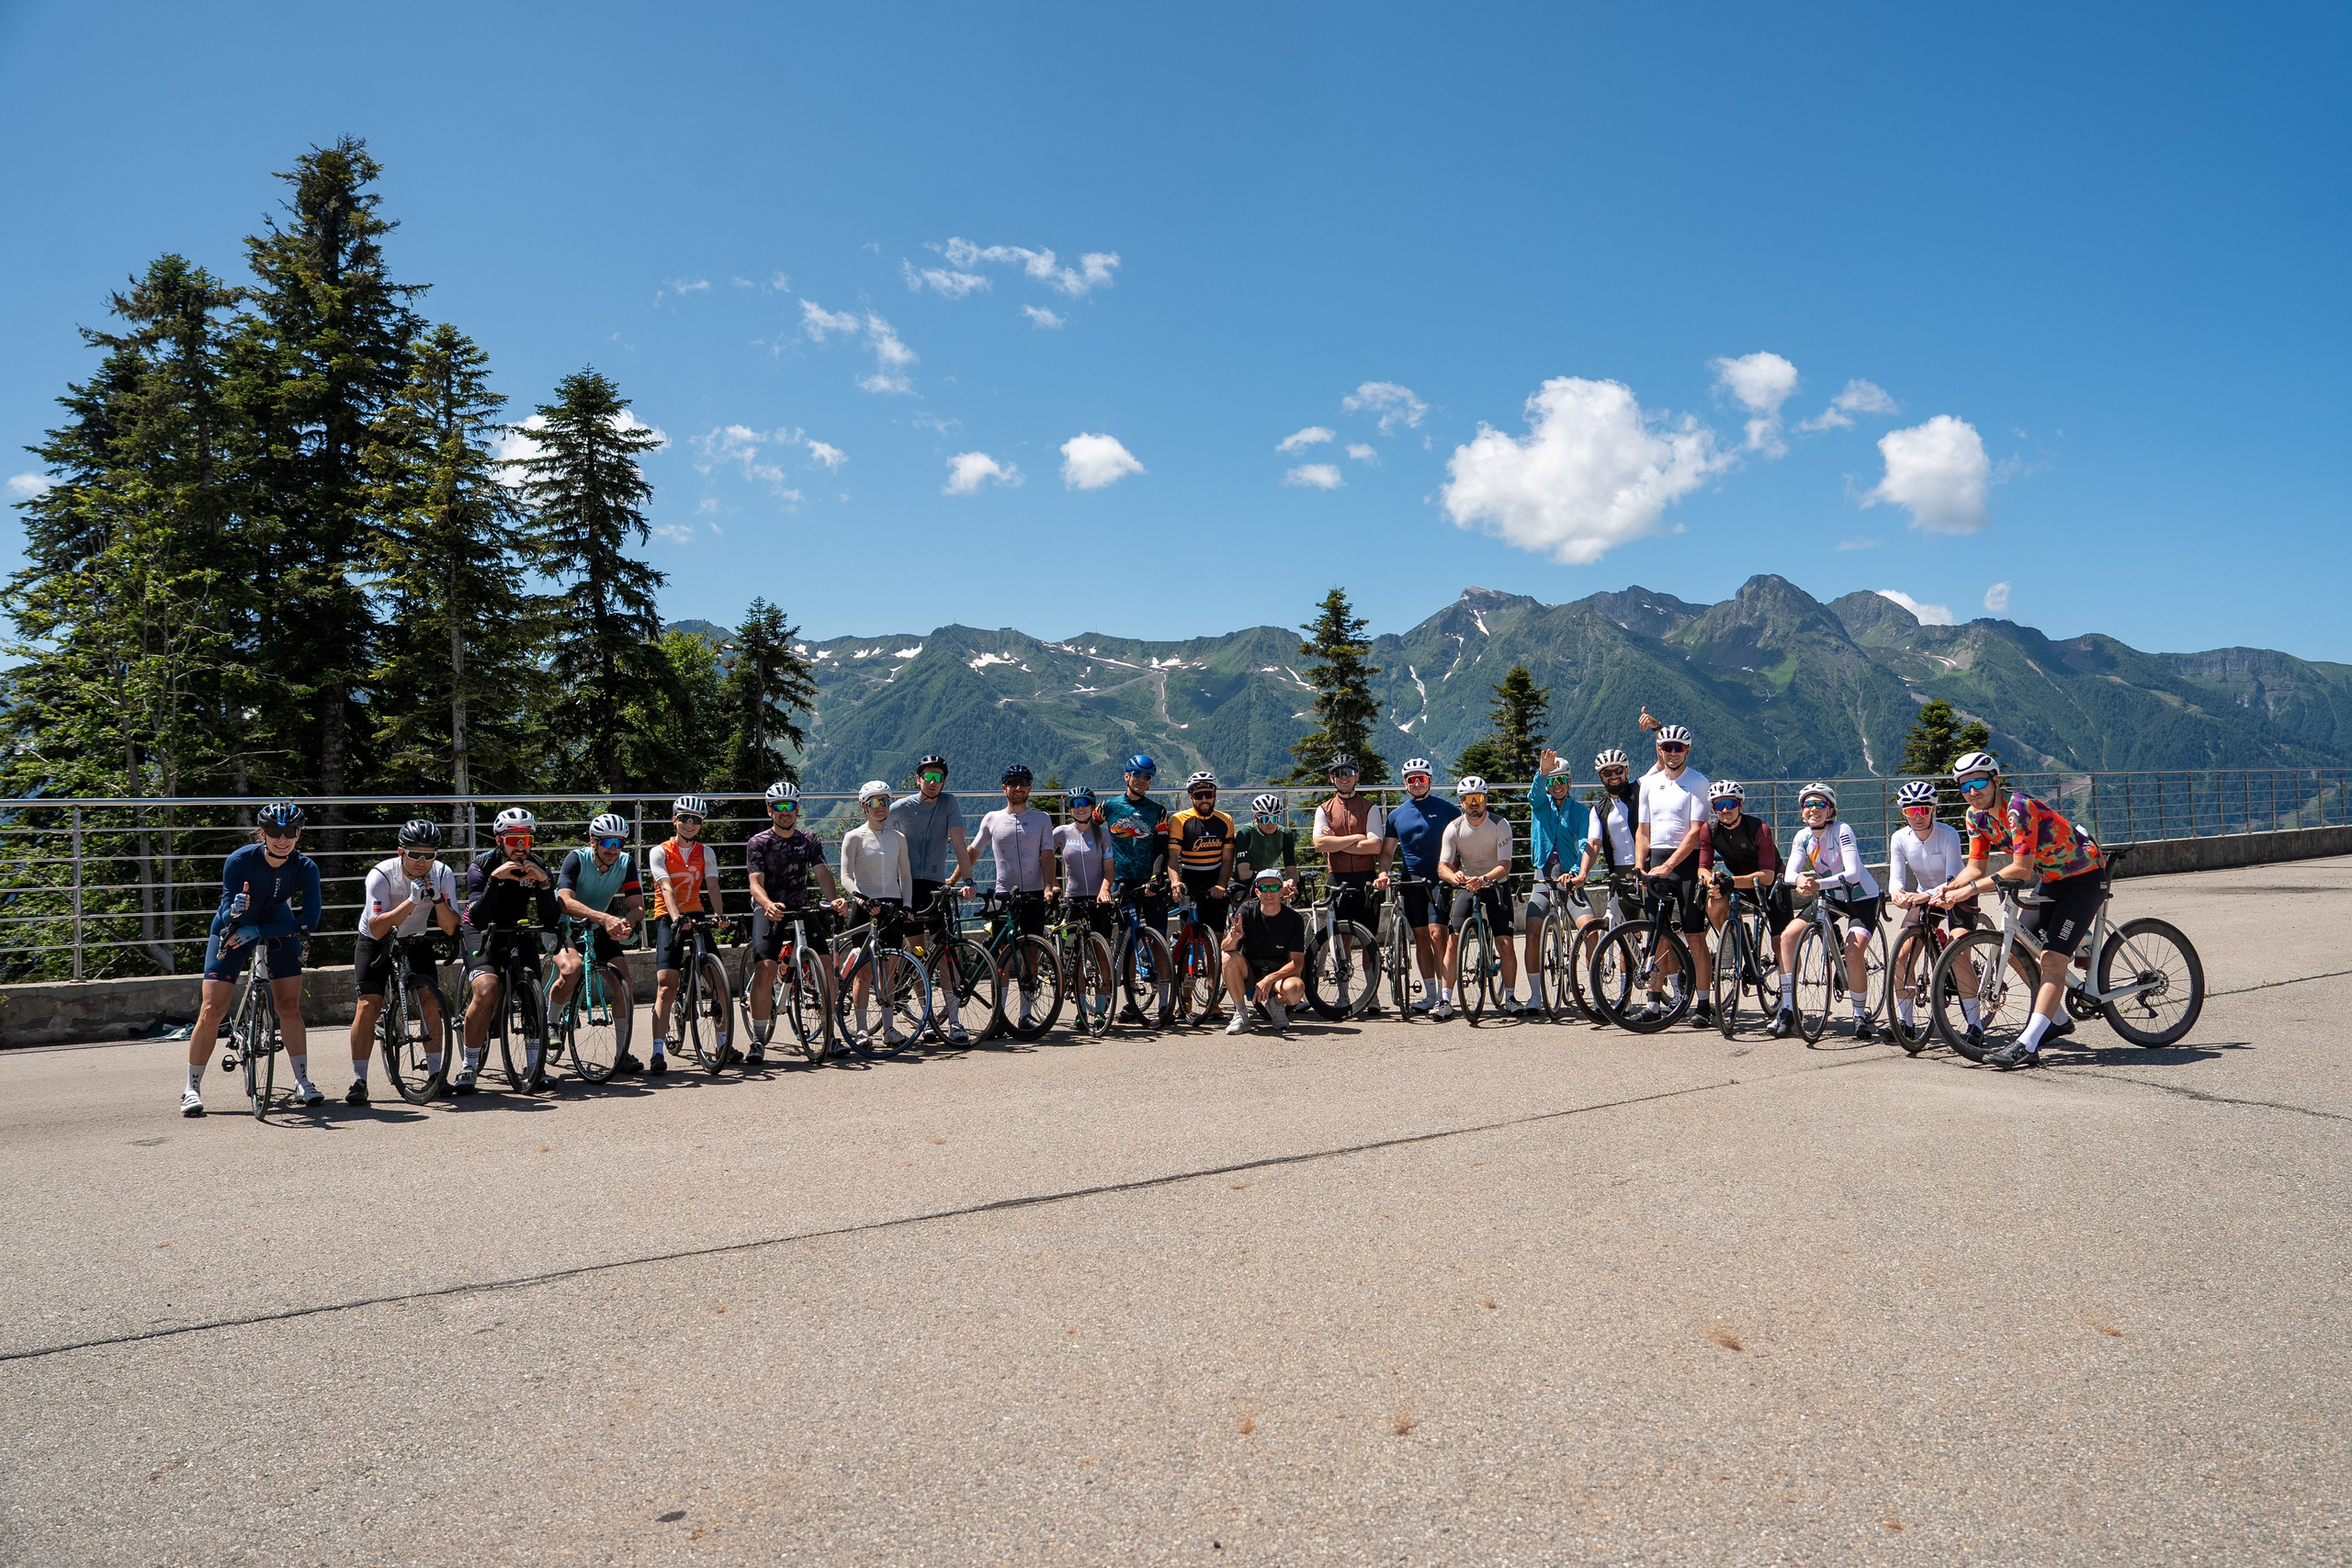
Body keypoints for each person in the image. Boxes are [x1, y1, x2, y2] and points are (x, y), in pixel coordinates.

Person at [1941, 751, 2106, 1068]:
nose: (1972, 792)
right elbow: (1975, 867)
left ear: (1995, 780)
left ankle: (2027, 1045)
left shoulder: (2018, 807)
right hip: (2052, 880)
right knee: (2016, 949)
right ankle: (2056, 1019)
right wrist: (1948, 889)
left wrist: (1969, 890)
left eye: (1979, 783)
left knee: (2052, 960)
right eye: (1965, 786)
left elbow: (2021, 868)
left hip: (2084, 878)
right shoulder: (1974, 817)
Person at [181, 802, 322, 1116]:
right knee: (212, 1009)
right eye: (274, 832)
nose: (282, 839)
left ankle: (302, 1081)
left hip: (275, 927)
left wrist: (260, 930)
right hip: (234, 930)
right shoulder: (240, 860)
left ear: (299, 834)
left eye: (290, 832)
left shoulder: (305, 867)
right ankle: (191, 1088)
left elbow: (309, 921)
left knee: (289, 1007)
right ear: (262, 833)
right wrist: (234, 912)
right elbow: (224, 910)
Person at [346, 818, 461, 1104]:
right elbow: (376, 928)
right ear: (401, 852)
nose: (422, 862)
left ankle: (436, 1074)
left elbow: (450, 927)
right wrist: (411, 901)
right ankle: (359, 1080)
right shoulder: (381, 875)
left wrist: (438, 900)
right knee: (369, 1004)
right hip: (376, 939)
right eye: (415, 855)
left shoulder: (442, 873)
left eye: (429, 855)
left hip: (415, 938)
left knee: (430, 1000)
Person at [459, 807, 564, 1091]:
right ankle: (468, 1066)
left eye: (526, 840)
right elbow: (479, 917)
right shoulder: (481, 866)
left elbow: (550, 920)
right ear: (499, 840)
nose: (520, 847)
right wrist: (496, 879)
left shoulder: (538, 865)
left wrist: (544, 884)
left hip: (516, 928)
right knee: (487, 989)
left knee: (532, 990)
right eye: (513, 840)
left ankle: (534, 1065)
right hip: (480, 928)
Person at [1771, 783, 1883, 1041]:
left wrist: (1816, 884)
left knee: (1853, 952)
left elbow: (1852, 873)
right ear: (1802, 811)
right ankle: (1788, 1008)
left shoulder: (1842, 830)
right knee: (1787, 938)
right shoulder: (1802, 837)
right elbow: (1790, 873)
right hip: (1830, 897)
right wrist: (1800, 880)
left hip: (1861, 898)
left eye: (1820, 804)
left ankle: (1859, 1014)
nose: (1814, 809)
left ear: (1831, 810)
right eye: (1808, 805)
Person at [741, 784, 838, 1064]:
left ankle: (831, 1035)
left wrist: (833, 900)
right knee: (765, 968)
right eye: (779, 807)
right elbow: (754, 883)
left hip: (800, 907)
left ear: (797, 809)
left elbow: (822, 873)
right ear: (769, 810)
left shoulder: (809, 840)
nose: (785, 812)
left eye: (790, 806)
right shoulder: (758, 842)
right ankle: (758, 1040)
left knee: (825, 965)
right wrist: (767, 904)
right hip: (769, 908)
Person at [1885, 778, 1984, 1047]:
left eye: (1923, 810)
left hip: (1957, 894)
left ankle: (1975, 1025)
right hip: (1925, 896)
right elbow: (1896, 879)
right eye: (1911, 811)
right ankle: (1906, 1023)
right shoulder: (1899, 838)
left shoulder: (1948, 834)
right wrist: (1897, 893)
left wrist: (1925, 895)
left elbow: (1952, 878)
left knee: (1958, 952)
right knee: (1902, 955)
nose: (1917, 816)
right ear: (1904, 812)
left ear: (1933, 810)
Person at [551, 811, 648, 1069]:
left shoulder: (626, 863)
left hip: (597, 925)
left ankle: (622, 1053)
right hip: (563, 925)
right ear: (593, 841)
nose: (614, 850)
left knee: (624, 984)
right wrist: (604, 918)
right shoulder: (576, 859)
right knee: (571, 971)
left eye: (619, 843)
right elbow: (565, 901)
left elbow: (638, 906)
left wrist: (626, 923)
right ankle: (551, 1022)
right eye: (608, 843)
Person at [1632, 722, 1713, 1023]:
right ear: (1660, 749)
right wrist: (1640, 866)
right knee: (1657, 934)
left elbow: (1695, 832)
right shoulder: (1649, 784)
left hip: (1686, 863)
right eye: (1667, 747)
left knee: (1694, 936)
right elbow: (1643, 830)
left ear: (1687, 751)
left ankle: (1703, 1005)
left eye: (1678, 748)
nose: (1673, 753)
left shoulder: (1698, 782)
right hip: (1657, 860)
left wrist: (1669, 866)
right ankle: (1653, 1003)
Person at [970, 763, 1058, 1029]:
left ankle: (1025, 1014)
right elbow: (974, 851)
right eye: (1012, 783)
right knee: (1001, 956)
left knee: (1032, 954)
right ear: (1004, 788)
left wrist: (1049, 886)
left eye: (1023, 783)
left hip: (1034, 892)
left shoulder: (1042, 819)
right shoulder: (992, 818)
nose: (1018, 787)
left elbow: (1047, 855)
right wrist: (954, 879)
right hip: (1003, 894)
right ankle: (998, 1016)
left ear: (1030, 788)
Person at [647, 794, 729, 1074]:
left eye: (696, 819)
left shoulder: (706, 852)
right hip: (667, 915)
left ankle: (723, 1043)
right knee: (666, 985)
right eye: (684, 818)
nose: (690, 823)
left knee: (718, 980)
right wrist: (675, 918)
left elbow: (713, 886)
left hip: (695, 913)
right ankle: (658, 1050)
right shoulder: (659, 852)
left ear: (701, 824)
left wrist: (719, 914)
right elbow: (666, 888)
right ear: (674, 820)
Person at [1377, 758, 1461, 1017]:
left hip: (1439, 878)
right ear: (1405, 784)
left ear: (1430, 781)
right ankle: (1431, 994)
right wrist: (1383, 873)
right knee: (1421, 937)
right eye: (1411, 779)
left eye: (1421, 778)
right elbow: (1388, 851)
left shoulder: (1448, 810)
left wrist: (1456, 870)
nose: (1416, 783)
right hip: (1410, 879)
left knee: (1438, 935)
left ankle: (1445, 998)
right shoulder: (1396, 815)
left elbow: (1462, 843)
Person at [839, 779, 915, 1047]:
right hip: (865, 907)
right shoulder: (854, 837)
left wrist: (907, 905)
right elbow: (846, 877)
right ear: (864, 807)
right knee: (864, 973)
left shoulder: (898, 838)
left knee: (889, 973)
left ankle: (888, 1029)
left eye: (884, 801)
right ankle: (861, 1030)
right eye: (874, 802)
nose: (880, 806)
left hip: (892, 907)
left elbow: (906, 876)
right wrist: (861, 899)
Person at [1438, 775, 1521, 1010]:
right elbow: (1442, 866)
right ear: (1461, 802)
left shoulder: (1500, 825)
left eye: (1479, 798)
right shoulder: (1454, 828)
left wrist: (1484, 879)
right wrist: (1453, 877)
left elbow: (1505, 865)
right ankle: (1445, 999)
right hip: (1468, 884)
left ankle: (1511, 998)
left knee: (1505, 942)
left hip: (1495, 885)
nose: (1474, 803)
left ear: (1485, 799)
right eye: (1469, 799)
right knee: (1453, 941)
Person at [1308, 757, 1385, 1010]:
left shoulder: (1370, 808)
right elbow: (1319, 844)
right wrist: (1356, 838)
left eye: (1349, 772)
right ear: (1332, 778)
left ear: (1357, 776)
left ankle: (1372, 996)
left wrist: (1337, 842)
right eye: (1339, 772)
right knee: (1341, 939)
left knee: (1369, 940)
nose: (1344, 776)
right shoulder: (1324, 809)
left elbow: (1375, 846)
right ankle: (1343, 995)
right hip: (1337, 878)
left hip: (1366, 878)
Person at [1099, 753, 1171, 1019]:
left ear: (1151, 781)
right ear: (1126, 776)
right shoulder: (1107, 807)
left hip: (1149, 881)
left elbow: (1162, 849)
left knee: (1158, 940)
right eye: (1137, 775)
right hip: (1121, 881)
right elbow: (1090, 835)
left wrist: (1156, 878)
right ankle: (1131, 1001)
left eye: (1147, 776)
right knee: (1127, 939)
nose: (1141, 780)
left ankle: (1164, 1003)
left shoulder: (1158, 811)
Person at [1688, 780, 1781, 943]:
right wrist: (1712, 883)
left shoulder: (1759, 828)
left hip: (1773, 885)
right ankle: (1735, 942)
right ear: (1714, 809)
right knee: (1714, 904)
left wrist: (1730, 882)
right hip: (1741, 883)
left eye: (1730, 804)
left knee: (1780, 944)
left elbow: (1767, 877)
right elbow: (1703, 868)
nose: (1725, 810)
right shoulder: (1709, 830)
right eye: (1719, 805)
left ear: (1741, 805)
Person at [1522, 751, 1585, 991]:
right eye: (1552, 781)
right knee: (1532, 930)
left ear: (1570, 782)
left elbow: (1586, 845)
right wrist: (1542, 773)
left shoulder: (1580, 812)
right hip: (1543, 873)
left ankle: (1593, 989)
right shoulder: (1540, 805)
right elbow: (1533, 794)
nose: (1557, 785)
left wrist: (1576, 871)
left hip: (1569, 875)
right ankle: (1535, 994)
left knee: (1589, 929)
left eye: (1562, 780)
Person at [888, 752, 972, 929]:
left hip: (936, 884)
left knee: (943, 942)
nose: (933, 782)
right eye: (928, 777)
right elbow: (874, 828)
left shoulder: (948, 802)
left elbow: (959, 843)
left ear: (944, 782)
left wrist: (968, 881)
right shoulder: (903, 806)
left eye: (938, 778)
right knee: (916, 942)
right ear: (918, 779)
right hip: (906, 884)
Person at [1566, 749, 1640, 945]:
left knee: (1660, 929)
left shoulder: (1641, 791)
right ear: (1601, 777)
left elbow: (1661, 765)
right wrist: (1583, 874)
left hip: (1649, 865)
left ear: (1627, 771)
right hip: (1622, 871)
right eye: (1607, 772)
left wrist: (1655, 732)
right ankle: (1629, 967)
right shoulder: (1598, 810)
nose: (1613, 776)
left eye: (1618, 770)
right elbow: (1593, 843)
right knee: (1627, 936)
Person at [1223, 868, 1306, 1036]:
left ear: (1282, 892)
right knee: (1227, 958)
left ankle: (1275, 1005)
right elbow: (1225, 947)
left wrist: (1269, 979)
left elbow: (1298, 964)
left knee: (1296, 989)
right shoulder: (1246, 910)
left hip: (1278, 974)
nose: (1269, 893)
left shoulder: (1294, 919)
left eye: (1274, 888)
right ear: (1257, 892)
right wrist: (1234, 938)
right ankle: (1241, 1014)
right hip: (1250, 972)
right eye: (1263, 888)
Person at [1167, 768, 1237, 951]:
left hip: (1215, 880)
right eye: (1199, 795)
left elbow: (1228, 858)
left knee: (1215, 943)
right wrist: (1175, 882)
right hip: (1189, 879)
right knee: (1189, 940)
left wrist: (1221, 884)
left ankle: (1213, 971)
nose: (1204, 799)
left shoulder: (1226, 820)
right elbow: (1173, 856)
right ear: (1191, 797)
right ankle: (1185, 968)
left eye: (1209, 794)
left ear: (1215, 795)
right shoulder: (1179, 820)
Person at [1054, 788, 1114, 940]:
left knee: (1102, 947)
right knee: (1073, 948)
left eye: (1085, 803)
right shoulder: (1061, 832)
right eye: (1075, 804)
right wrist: (1053, 884)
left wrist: (1105, 890)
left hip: (1099, 897)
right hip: (1073, 897)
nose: (1080, 807)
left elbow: (1109, 868)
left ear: (1092, 807)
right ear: (1070, 810)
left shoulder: (1103, 834)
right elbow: (1044, 859)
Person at [1236, 793, 1300, 901]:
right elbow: (1243, 874)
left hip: (1266, 882)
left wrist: (1290, 883)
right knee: (1247, 906)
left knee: (1273, 906)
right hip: (1241, 881)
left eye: (1274, 819)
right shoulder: (1246, 833)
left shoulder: (1285, 835)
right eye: (1265, 819)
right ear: (1255, 818)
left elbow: (1292, 872)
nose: (1270, 824)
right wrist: (1277, 881)